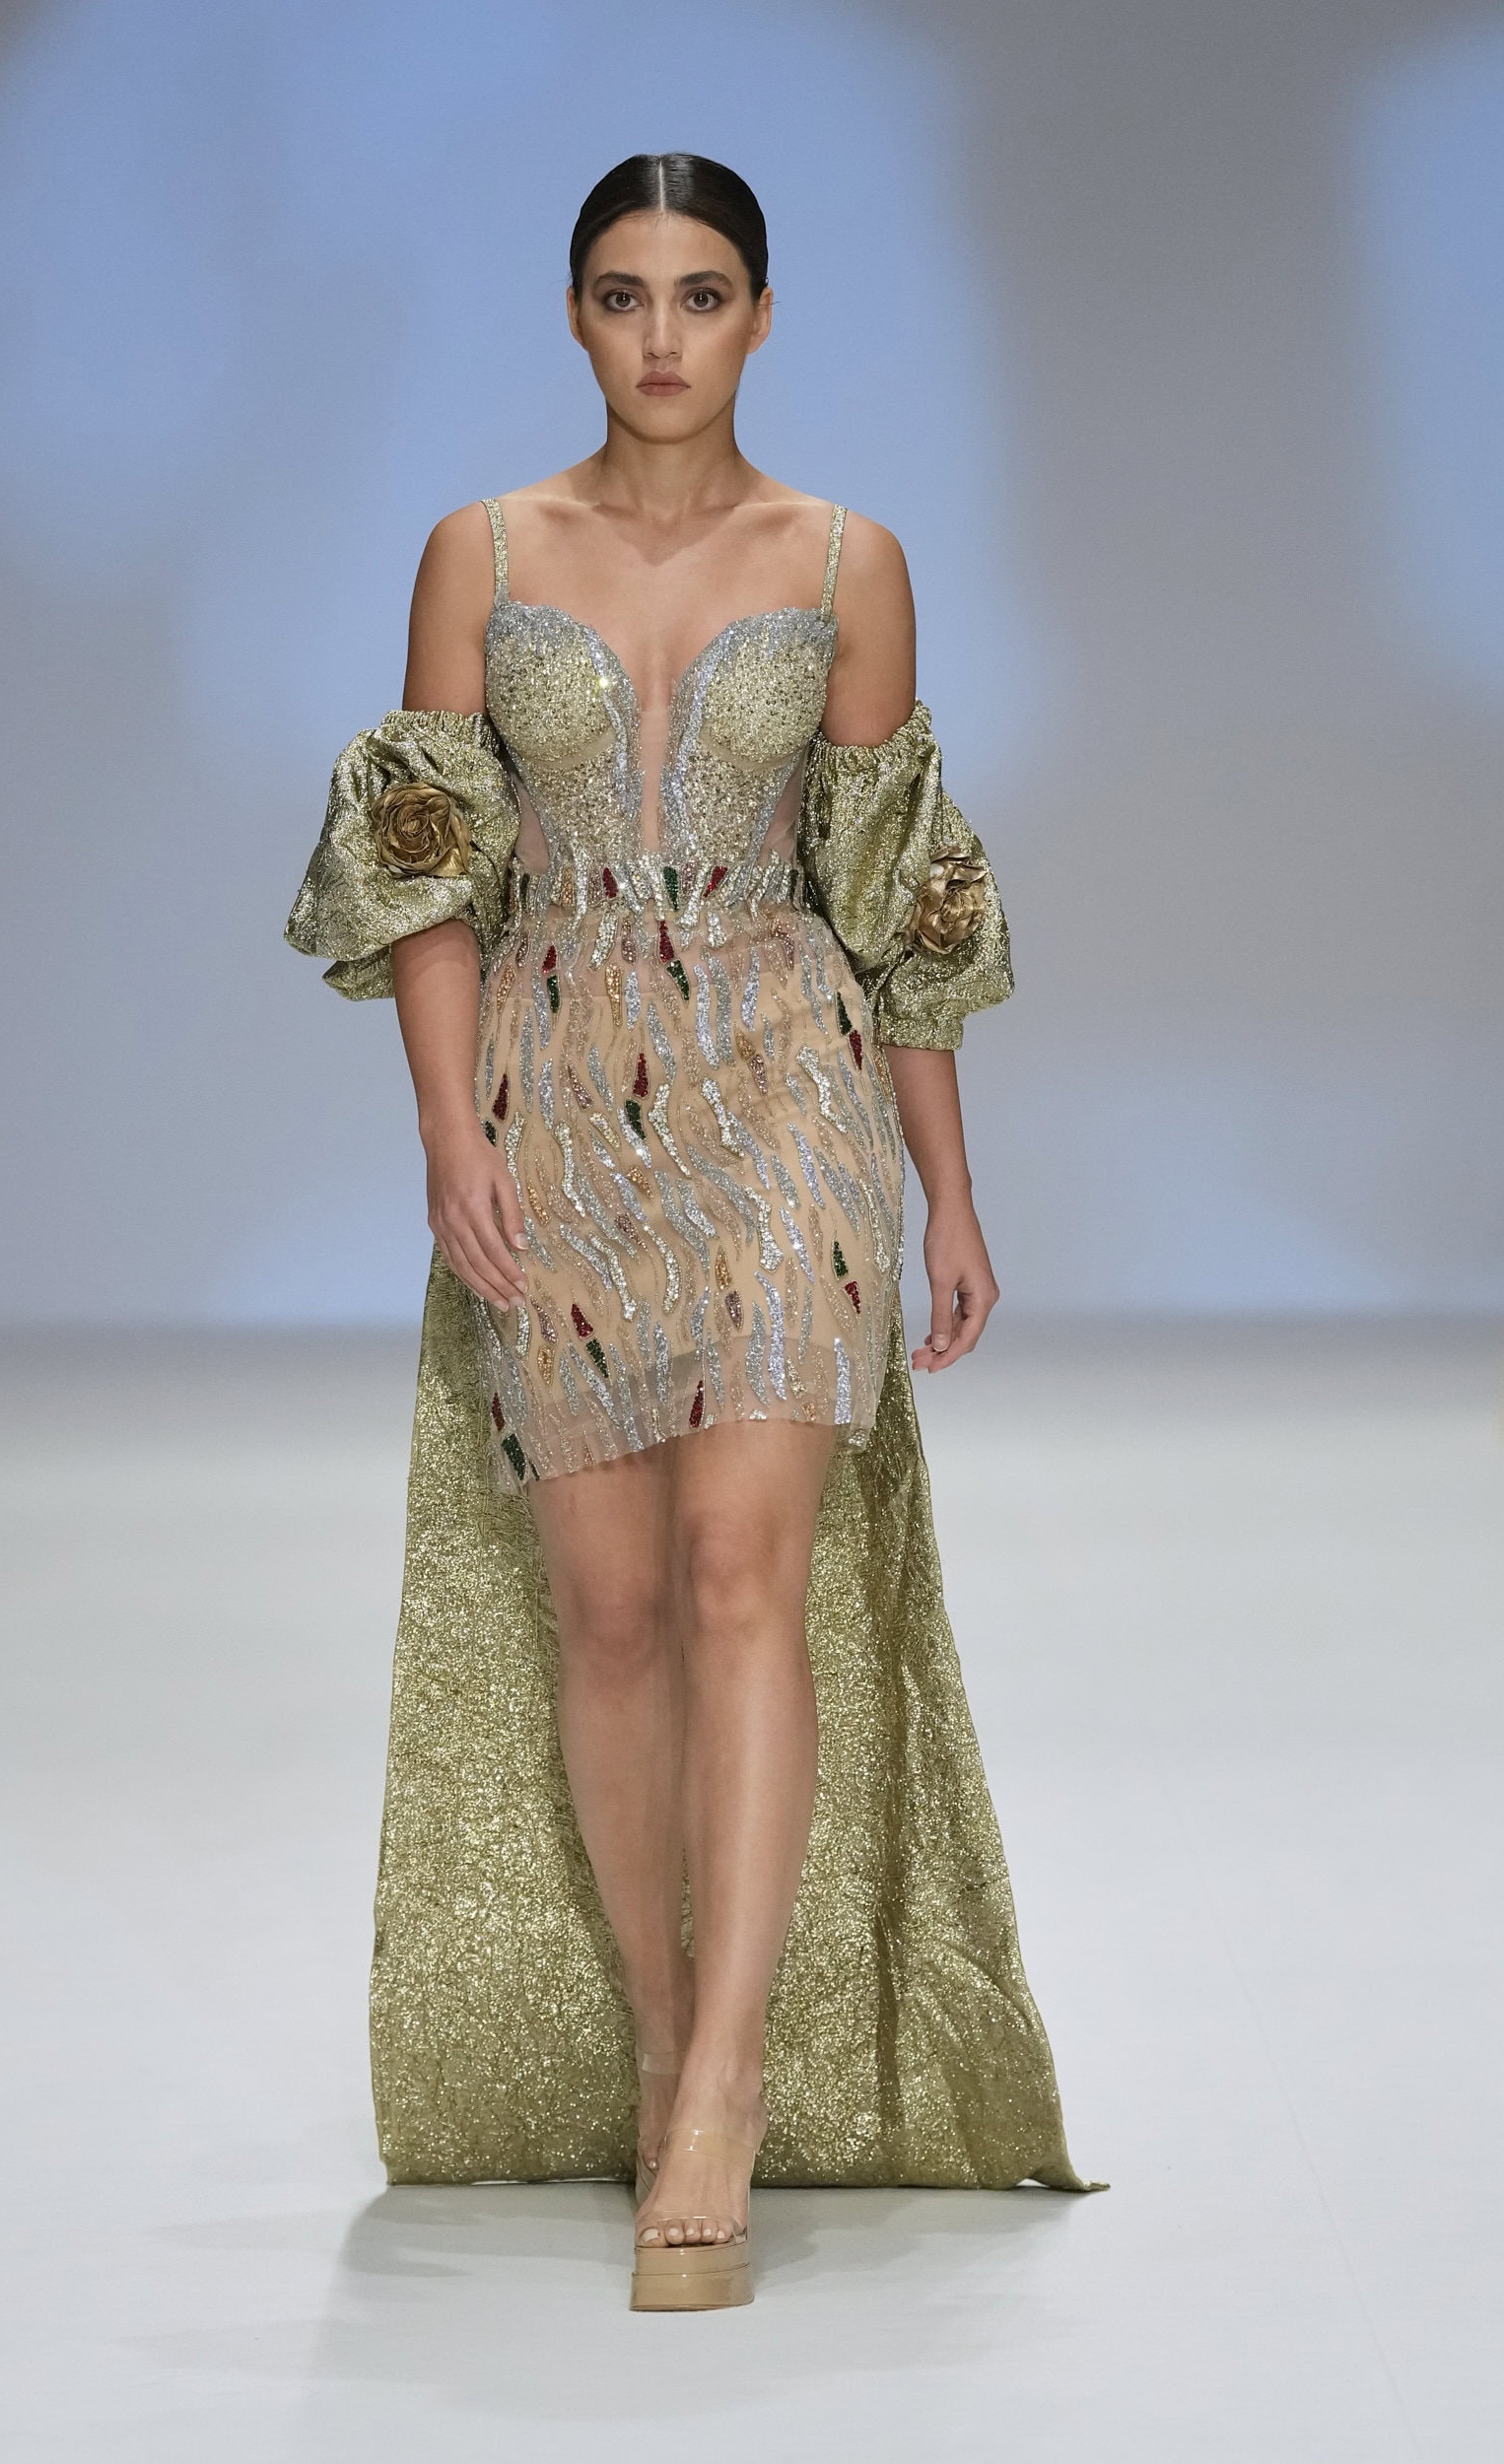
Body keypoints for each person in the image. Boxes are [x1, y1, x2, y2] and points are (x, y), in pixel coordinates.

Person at [286, 152, 1100, 2313]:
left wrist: (947, 1181)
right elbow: (428, 864)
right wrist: (446, 1131)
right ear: (574, 314)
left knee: (747, 1574)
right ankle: (657, 2035)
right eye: (626, 293)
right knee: (615, 1606)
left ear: (761, 315)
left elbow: (894, 882)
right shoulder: (481, 553)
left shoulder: (844, 562)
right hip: (555, 1094)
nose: (664, 334)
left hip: (784, 1088)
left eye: (704, 292)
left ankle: (724, 2085)